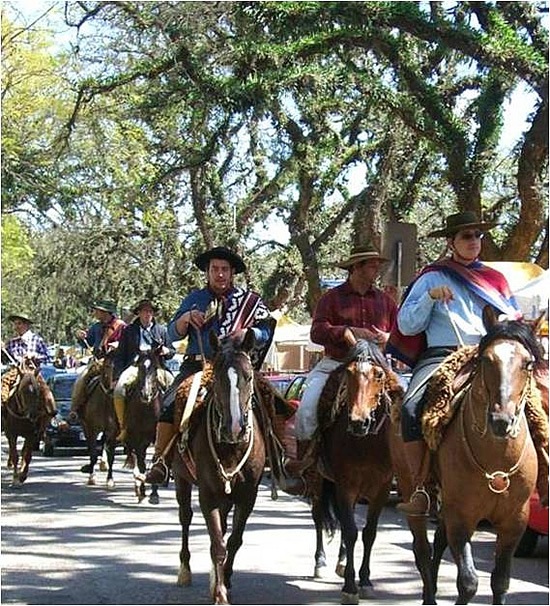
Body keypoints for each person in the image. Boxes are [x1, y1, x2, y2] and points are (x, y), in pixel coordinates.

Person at [387, 211, 527, 516]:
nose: (474, 241)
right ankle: (422, 488)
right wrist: (429, 299)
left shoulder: (496, 280)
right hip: (442, 355)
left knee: (537, 400)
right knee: (412, 407)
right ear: (451, 242)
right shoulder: (431, 277)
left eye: (478, 235)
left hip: (489, 355)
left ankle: (541, 476)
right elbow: (407, 326)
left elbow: (514, 321)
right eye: (466, 236)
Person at [145, 245, 276, 485]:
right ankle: (161, 461)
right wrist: (184, 320)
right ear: (207, 272)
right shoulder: (194, 299)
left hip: (236, 367)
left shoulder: (249, 301)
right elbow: (172, 335)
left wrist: (250, 332)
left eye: (225, 269)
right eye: (215, 269)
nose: (220, 274)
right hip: (198, 367)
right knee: (169, 403)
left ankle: (280, 462)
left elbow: (267, 331)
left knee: (270, 401)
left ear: (232, 272)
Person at [290, 243, 398, 484]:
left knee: (406, 405)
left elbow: (401, 332)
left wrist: (388, 338)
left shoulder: (386, 301)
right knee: (307, 409)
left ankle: (407, 469)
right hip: (336, 364)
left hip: (377, 369)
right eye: (372, 265)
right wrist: (345, 332)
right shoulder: (331, 298)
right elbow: (317, 332)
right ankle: (305, 467)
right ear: (355, 268)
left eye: (378, 265)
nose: (377, 270)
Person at [112, 299, 176, 442]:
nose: (147, 314)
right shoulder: (129, 331)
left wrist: (166, 350)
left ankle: (173, 426)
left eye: (150, 311)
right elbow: (120, 355)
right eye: (144, 311)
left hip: (156, 366)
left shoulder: (161, 330)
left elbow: (172, 351)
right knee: (119, 389)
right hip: (135, 365)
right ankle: (123, 427)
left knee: (175, 389)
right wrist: (116, 376)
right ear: (139, 313)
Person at [71, 301, 126, 417]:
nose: (95, 313)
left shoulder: (121, 326)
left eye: (98, 310)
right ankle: (75, 409)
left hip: (117, 363)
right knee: (81, 378)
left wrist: (119, 345)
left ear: (106, 312)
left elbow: (129, 344)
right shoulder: (96, 327)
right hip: (98, 362)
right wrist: (81, 338)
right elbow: (88, 343)